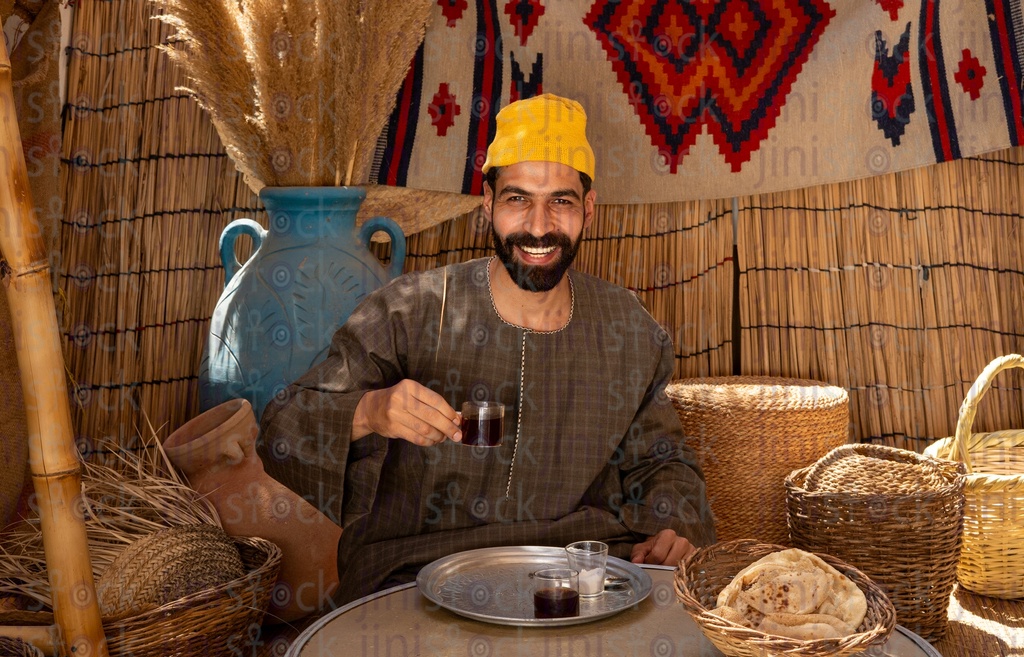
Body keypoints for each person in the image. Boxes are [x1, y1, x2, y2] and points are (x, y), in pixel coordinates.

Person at [257, 93, 715, 605]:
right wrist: (371, 410)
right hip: (416, 574)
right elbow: (280, 429)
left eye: (560, 201)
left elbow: (664, 461)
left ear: (588, 209)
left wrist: (673, 523)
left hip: (582, 579)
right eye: (518, 199)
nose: (539, 227)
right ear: (488, 204)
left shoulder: (628, 330)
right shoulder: (409, 312)